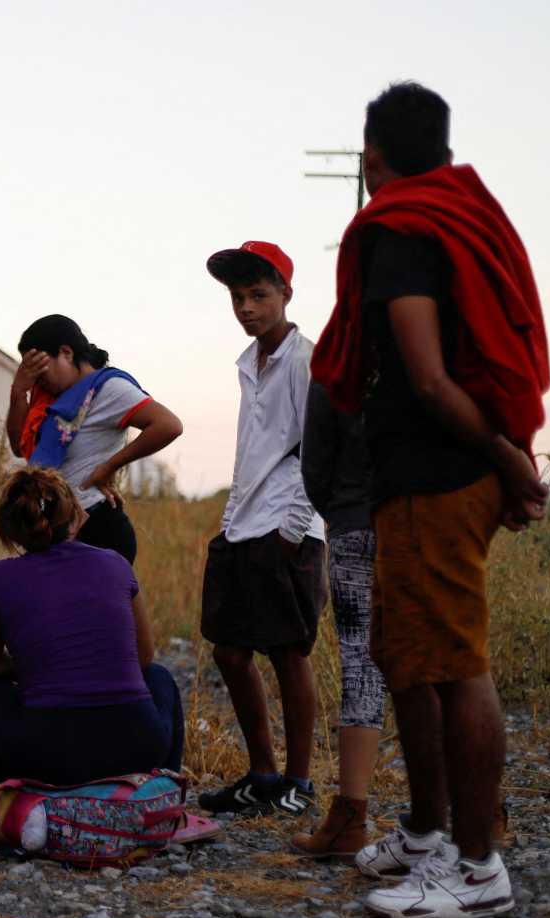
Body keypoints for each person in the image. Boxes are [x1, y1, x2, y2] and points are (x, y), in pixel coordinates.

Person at [310, 81, 549, 918]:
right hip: (425, 477)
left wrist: (504, 459)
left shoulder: (404, 231)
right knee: (405, 656)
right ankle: (425, 836)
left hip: (438, 475)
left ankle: (479, 869)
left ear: (372, 155)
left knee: (451, 664)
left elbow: (429, 376)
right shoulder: (453, 212)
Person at [0, 468, 201, 853]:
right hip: (135, 745)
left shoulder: (0, 576)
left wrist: (33, 667)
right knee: (159, 677)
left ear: (14, 529)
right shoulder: (115, 563)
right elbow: (143, 656)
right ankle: (165, 803)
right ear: (72, 517)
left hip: (46, 756)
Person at [197, 241, 327, 819]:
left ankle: (299, 781)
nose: (246, 307)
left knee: (288, 651)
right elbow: (254, 450)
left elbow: (317, 452)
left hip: (287, 526)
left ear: (286, 295)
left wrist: (294, 530)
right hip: (245, 523)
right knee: (229, 650)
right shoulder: (249, 365)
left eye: (259, 295)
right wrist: (230, 522)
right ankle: (262, 773)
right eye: (237, 297)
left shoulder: (305, 360)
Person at [289, 381, 383, 858]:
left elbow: (315, 463)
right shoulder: (439, 337)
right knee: (444, 659)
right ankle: (473, 820)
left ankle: (351, 818)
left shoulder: (341, 353)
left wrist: (343, 510)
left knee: (361, 666)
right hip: (428, 519)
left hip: (353, 520)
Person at [5, 314, 183, 565]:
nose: (37, 379)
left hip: (97, 528)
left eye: (39, 369)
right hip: (57, 530)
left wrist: (109, 466)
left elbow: (168, 425)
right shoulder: (48, 398)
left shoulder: (108, 388)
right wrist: (18, 392)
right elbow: (17, 447)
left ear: (66, 353)